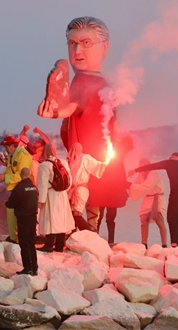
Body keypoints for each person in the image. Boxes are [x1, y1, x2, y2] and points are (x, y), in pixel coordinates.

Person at [36, 16, 129, 240]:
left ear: (104, 47)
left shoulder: (95, 83)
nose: (77, 50)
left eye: (86, 43)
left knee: (91, 196)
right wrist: (57, 112)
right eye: (72, 43)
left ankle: (84, 235)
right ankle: (88, 235)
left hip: (93, 151)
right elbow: (72, 108)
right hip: (88, 152)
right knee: (91, 197)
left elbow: (74, 109)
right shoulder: (85, 82)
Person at [128, 152, 178, 248]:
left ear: (173, 157)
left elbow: (152, 166)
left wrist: (135, 170)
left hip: (176, 193)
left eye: (170, 156)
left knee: (171, 217)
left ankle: (173, 245)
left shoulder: (169, 163)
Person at [36, 144, 74, 252]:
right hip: (62, 195)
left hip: (50, 195)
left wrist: (41, 200)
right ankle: (59, 246)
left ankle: (48, 245)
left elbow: (42, 185)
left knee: (50, 220)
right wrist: (63, 191)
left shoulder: (44, 166)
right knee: (61, 221)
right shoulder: (63, 163)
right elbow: (69, 181)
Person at [0, 135, 33, 243]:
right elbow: (9, 169)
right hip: (14, 189)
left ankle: (17, 238)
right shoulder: (13, 155)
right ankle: (13, 237)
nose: (5, 149)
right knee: (11, 212)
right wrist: (1, 176)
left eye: (6, 146)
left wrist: (5, 178)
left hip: (22, 190)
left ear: (12, 146)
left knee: (18, 215)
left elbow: (21, 175)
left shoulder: (23, 155)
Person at [5, 168, 39, 275]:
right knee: (31, 243)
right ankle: (35, 267)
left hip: (23, 218)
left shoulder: (19, 188)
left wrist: (6, 204)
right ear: (29, 174)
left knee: (24, 243)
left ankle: (27, 267)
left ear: (20, 175)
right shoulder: (34, 187)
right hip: (33, 218)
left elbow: (11, 203)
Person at [128, 158, 167, 248]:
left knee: (160, 222)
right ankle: (144, 243)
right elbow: (135, 185)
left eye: (142, 165)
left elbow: (146, 186)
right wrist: (127, 185)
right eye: (140, 165)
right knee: (143, 221)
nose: (140, 167)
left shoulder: (153, 173)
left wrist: (132, 186)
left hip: (157, 200)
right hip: (147, 200)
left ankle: (164, 244)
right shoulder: (141, 174)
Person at [67, 142, 106, 231]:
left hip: (81, 190)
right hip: (72, 190)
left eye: (72, 148)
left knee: (77, 214)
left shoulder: (85, 157)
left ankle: (89, 233)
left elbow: (95, 166)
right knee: (71, 215)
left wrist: (102, 164)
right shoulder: (72, 161)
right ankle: (71, 235)